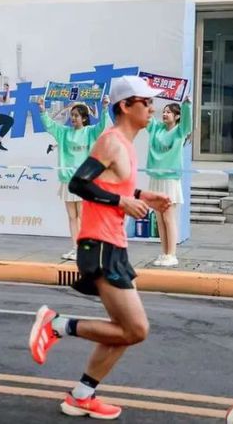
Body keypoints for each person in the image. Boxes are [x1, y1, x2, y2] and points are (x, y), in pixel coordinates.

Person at [28, 75, 172, 420]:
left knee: (123, 331)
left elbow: (111, 185)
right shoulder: (111, 141)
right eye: (146, 102)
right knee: (136, 329)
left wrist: (142, 195)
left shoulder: (125, 145)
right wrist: (122, 202)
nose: (152, 108)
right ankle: (57, 324)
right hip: (100, 244)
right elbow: (79, 183)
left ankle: (81, 396)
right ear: (126, 106)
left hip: (113, 244)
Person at [38, 96, 110, 261]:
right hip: (67, 181)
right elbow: (49, 125)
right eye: (72, 115)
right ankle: (76, 248)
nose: (73, 118)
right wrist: (42, 109)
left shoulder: (90, 132)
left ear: (84, 118)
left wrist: (105, 108)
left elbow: (103, 126)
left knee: (84, 217)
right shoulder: (64, 132)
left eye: (76, 115)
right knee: (72, 217)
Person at [146, 96, 192, 267]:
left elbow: (187, 122)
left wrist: (186, 105)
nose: (164, 114)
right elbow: (147, 117)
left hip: (170, 179)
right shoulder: (156, 128)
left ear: (177, 116)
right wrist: (145, 100)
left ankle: (172, 254)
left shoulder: (180, 131)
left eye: (169, 112)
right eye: (164, 112)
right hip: (155, 178)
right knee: (159, 218)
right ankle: (164, 253)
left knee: (168, 217)